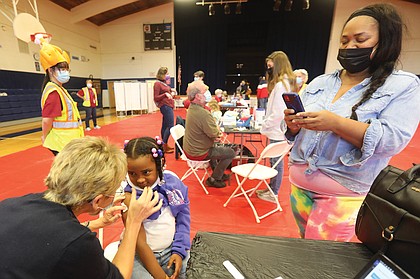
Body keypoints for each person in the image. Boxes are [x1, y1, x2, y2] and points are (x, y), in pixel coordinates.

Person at [284, 3, 420, 242]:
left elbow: (391, 141)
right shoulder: (321, 82)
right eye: (344, 41)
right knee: (303, 249)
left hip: (342, 193)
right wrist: (294, 126)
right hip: (299, 184)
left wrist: (335, 123)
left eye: (360, 39)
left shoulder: (403, 85)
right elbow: (296, 132)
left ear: (385, 42)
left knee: (320, 261)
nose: (349, 47)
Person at [0, 136, 162, 278]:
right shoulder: (79, 243)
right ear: (98, 201)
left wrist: (96, 224)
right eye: (114, 190)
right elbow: (119, 276)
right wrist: (134, 222)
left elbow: (43, 234)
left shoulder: (11, 205)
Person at [122, 136, 190, 279]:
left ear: (160, 164)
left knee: (193, 270)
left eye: (146, 172)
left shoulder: (173, 184)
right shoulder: (129, 197)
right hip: (137, 255)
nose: (140, 179)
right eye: (132, 173)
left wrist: (178, 251)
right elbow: (140, 244)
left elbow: (183, 218)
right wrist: (162, 277)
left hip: (170, 249)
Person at [256, 51, 297, 203]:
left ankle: (273, 192)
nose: (268, 68)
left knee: (276, 163)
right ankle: (271, 189)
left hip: (276, 131)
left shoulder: (281, 85)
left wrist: (264, 126)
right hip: (277, 130)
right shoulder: (286, 83)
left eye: (270, 65)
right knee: (275, 162)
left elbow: (278, 112)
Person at [183, 80, 236, 188]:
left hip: (192, 148)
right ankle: (214, 178)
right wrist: (216, 132)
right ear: (198, 96)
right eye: (205, 91)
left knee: (216, 146)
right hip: (199, 152)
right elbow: (215, 134)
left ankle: (218, 173)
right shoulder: (203, 113)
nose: (208, 93)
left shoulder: (192, 108)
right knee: (230, 152)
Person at [40, 42, 84, 155]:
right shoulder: (53, 92)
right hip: (62, 142)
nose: (65, 73)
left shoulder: (60, 89)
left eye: (66, 70)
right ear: (50, 70)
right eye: (62, 69)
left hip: (69, 142)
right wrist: (44, 136)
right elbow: (47, 120)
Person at [154, 67, 176, 154]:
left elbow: (168, 92)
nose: (168, 75)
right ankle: (164, 144)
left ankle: (163, 145)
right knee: (170, 126)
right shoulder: (157, 84)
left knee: (165, 125)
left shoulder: (164, 83)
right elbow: (156, 97)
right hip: (165, 106)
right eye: (166, 74)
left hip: (168, 105)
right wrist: (165, 94)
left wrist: (171, 92)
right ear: (162, 74)